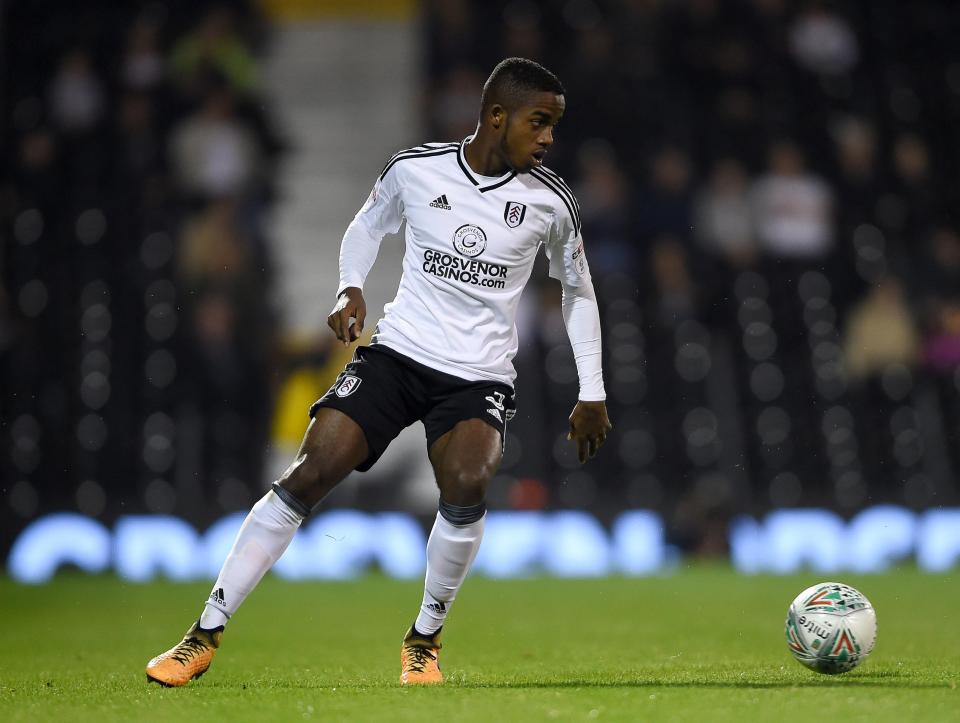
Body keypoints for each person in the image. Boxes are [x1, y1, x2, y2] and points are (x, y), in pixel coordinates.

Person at [145, 57, 612, 687]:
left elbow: (578, 293)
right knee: (309, 471)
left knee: (471, 480)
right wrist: (348, 289)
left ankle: (424, 639)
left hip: (477, 376)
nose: (550, 137)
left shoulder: (550, 202)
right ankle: (202, 633)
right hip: (397, 354)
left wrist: (593, 389)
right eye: (540, 122)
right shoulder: (415, 170)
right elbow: (366, 228)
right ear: (497, 117)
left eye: (553, 125)